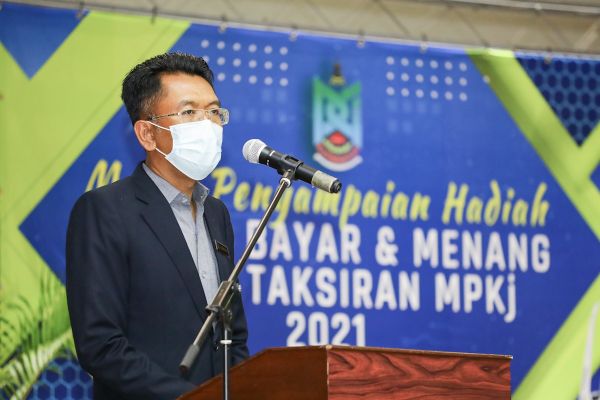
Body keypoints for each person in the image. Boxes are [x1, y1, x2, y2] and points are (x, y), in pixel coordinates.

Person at [66, 52, 248, 400]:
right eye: (189, 112)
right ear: (147, 133)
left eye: (214, 112)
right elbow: (100, 344)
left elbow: (233, 335)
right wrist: (187, 397)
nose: (207, 125)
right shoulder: (105, 210)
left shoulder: (216, 214)